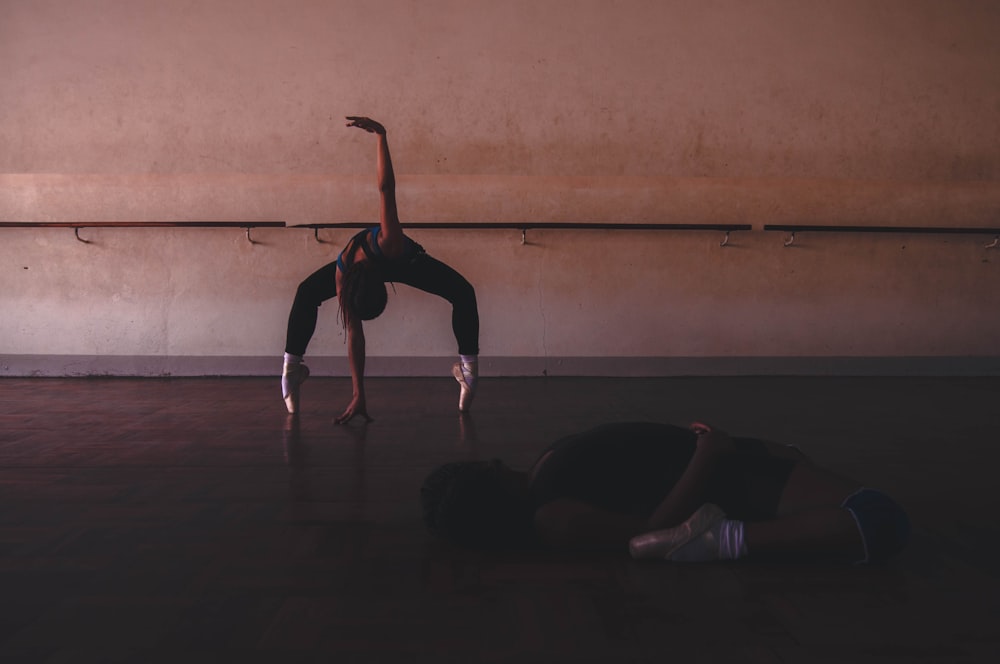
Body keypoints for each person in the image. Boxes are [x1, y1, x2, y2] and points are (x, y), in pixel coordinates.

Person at [420, 421, 910, 564]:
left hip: (727, 457)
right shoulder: (552, 517)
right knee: (879, 517)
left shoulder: (546, 467)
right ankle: (728, 540)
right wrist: (709, 453)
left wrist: (728, 444)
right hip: (725, 478)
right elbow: (653, 530)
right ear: (491, 481)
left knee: (848, 496)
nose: (493, 459)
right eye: (483, 468)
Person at [281, 117, 480, 423]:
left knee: (462, 291)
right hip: (383, 265)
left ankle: (289, 374)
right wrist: (358, 393)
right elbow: (354, 334)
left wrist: (381, 137)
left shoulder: (390, 243)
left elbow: (387, 188)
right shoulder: (343, 274)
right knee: (307, 291)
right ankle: (290, 372)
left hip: (407, 262)